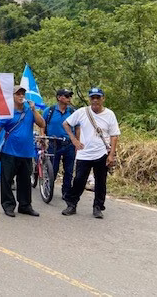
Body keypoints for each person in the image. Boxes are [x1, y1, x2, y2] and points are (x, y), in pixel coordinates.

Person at [62, 87, 120, 219]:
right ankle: (71, 204)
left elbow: (114, 135)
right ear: (89, 99)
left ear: (103, 99)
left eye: (98, 97)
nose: (95, 100)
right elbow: (66, 124)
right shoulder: (82, 112)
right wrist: (74, 139)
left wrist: (111, 154)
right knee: (79, 180)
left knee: (101, 182)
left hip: (102, 153)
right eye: (92, 98)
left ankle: (98, 207)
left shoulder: (109, 114)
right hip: (84, 153)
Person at [0, 85, 46, 218]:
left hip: (26, 152)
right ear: (12, 96)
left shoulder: (29, 110)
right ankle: (8, 205)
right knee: (7, 180)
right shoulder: (6, 112)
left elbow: (42, 124)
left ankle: (25, 206)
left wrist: (34, 110)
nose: (21, 96)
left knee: (25, 181)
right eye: (18, 94)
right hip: (10, 152)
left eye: (22, 94)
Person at [40, 88, 76, 202]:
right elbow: (42, 124)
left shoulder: (73, 112)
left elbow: (78, 127)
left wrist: (77, 142)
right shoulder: (49, 111)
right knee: (53, 168)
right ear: (59, 97)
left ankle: (66, 192)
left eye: (70, 96)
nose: (69, 98)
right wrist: (42, 137)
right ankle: (48, 188)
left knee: (69, 170)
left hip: (69, 144)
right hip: (53, 143)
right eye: (66, 96)